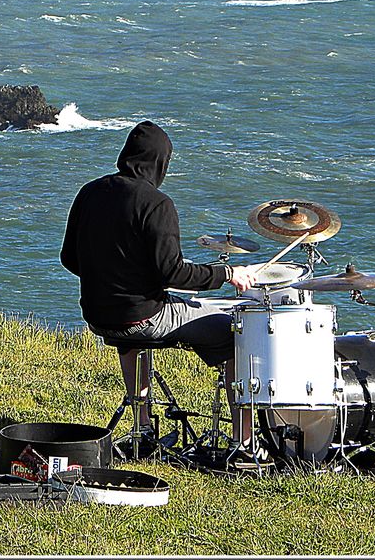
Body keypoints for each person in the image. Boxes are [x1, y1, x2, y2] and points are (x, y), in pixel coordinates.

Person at [60, 120, 257, 448]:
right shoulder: (156, 204)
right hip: (144, 319)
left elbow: (69, 258)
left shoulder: (90, 192)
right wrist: (227, 274)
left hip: (99, 316)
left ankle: (143, 428)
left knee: (133, 330)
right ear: (160, 162)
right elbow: (174, 274)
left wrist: (111, 277)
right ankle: (243, 440)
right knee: (233, 332)